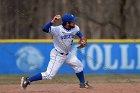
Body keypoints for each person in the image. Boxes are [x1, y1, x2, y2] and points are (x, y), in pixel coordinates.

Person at [20, 13, 90, 89]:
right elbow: (45, 29)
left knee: (79, 66)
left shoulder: (75, 28)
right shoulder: (57, 29)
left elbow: (78, 33)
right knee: (49, 75)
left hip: (68, 54)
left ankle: (83, 84)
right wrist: (52, 21)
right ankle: (27, 80)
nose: (74, 22)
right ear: (67, 23)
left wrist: (82, 38)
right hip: (58, 54)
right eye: (72, 21)